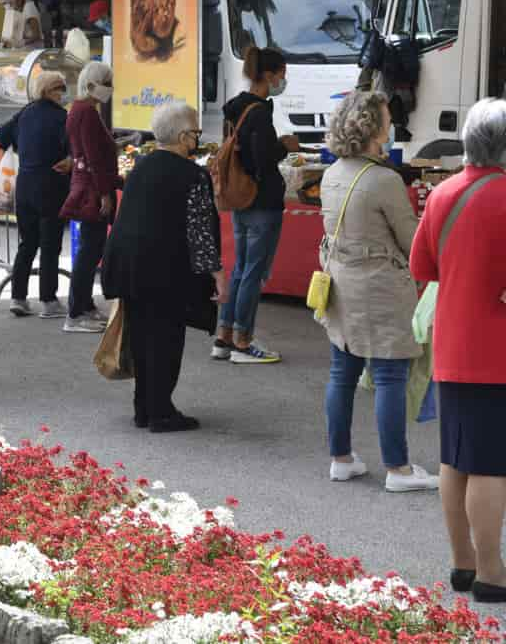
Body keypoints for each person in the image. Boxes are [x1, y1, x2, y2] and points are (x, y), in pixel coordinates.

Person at [316, 91, 438, 492]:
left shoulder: (333, 173)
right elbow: (412, 241)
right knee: (389, 375)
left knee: (342, 371)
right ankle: (398, 469)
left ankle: (341, 458)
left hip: (340, 282)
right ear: (372, 126)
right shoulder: (383, 180)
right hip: (380, 286)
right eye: (386, 117)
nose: (391, 122)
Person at [411, 99, 506, 601]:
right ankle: (493, 573)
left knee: (456, 459)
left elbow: (422, 268)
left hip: (453, 342)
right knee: (492, 464)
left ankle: (463, 563)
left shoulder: (443, 193)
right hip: (498, 350)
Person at [103, 101, 224, 433]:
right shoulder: (192, 174)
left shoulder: (141, 166)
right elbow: (200, 233)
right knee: (167, 341)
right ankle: (161, 412)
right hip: (166, 270)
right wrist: (218, 276)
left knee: (142, 338)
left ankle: (144, 407)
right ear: (185, 137)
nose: (197, 139)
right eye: (196, 133)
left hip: (130, 266)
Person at [212, 46, 298, 364]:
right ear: (269, 75)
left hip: (241, 200)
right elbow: (261, 158)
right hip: (263, 201)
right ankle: (243, 341)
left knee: (240, 269)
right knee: (253, 271)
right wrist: (284, 146)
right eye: (282, 75)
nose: (283, 80)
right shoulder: (259, 112)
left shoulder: (237, 108)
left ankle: (223, 335)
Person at [0, 71, 71, 319]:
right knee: (50, 245)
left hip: (25, 184)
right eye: (60, 88)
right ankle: (49, 300)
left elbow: (1, 137)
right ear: (48, 90)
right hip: (52, 185)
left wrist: (22, 147)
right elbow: (73, 149)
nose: (63, 92)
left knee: (27, 243)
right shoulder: (62, 118)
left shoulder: (25, 113)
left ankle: (18, 297)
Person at [60, 61, 118, 333]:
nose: (111, 88)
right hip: (93, 191)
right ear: (94, 84)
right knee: (88, 251)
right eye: (107, 82)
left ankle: (84, 306)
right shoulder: (87, 113)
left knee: (90, 249)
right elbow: (93, 156)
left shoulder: (81, 110)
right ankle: (76, 312)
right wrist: (105, 192)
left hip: (89, 186)